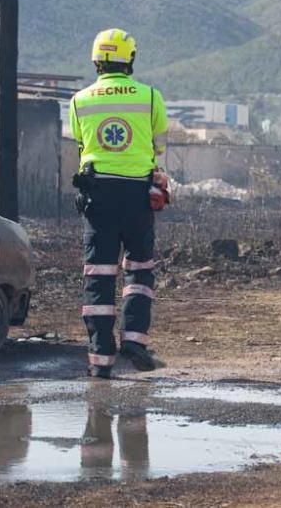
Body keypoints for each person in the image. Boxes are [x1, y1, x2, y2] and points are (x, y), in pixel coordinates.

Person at [69, 28, 168, 377]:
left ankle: (100, 360)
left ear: (96, 60)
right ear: (131, 59)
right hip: (137, 195)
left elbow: (82, 142)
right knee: (139, 269)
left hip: (98, 195)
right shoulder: (150, 97)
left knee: (99, 273)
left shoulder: (79, 101)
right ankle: (135, 342)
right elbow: (158, 145)